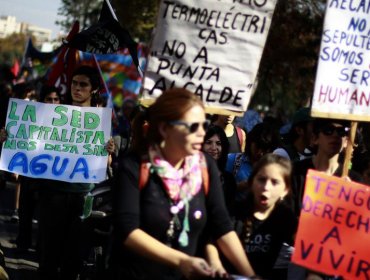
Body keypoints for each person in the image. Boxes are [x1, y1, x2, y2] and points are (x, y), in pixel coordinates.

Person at [110, 88, 256, 279]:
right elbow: (127, 230)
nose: (202, 133)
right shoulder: (134, 166)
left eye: (204, 125)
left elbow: (221, 225)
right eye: (192, 126)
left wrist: (251, 275)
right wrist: (181, 260)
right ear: (164, 128)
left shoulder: (206, 166)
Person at [37, 66, 114, 280]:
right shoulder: (54, 115)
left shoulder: (100, 121)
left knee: (74, 257)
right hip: (53, 193)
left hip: (84, 196)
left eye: (83, 85)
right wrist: (11, 137)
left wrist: (109, 153)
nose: (77, 88)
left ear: (94, 89)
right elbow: (35, 142)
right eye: (74, 83)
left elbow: (106, 163)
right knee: (49, 255)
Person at [232, 154, 297, 280]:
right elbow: (212, 243)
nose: (266, 187)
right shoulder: (235, 212)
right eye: (261, 180)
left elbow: (306, 245)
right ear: (251, 182)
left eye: (275, 182)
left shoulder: (284, 215)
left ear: (285, 190)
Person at [16, 85, 62, 252]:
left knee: (46, 216)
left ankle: (41, 248)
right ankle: (23, 243)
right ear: (42, 100)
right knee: (26, 212)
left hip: (51, 178)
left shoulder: (67, 121)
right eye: (49, 99)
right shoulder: (31, 115)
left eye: (56, 99)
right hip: (30, 173)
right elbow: (17, 135)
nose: (52, 102)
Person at [291, 118, 362, 219]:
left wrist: (350, 198)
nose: (335, 135)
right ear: (314, 138)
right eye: (328, 130)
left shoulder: (355, 181)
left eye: (341, 131)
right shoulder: (295, 172)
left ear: (346, 141)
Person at [225, 122, 282, 200]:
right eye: (257, 147)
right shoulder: (232, 160)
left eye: (265, 150)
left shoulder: (276, 168)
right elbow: (220, 189)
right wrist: (238, 187)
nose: (260, 153)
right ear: (250, 142)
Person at [202, 125, 236, 215]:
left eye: (218, 143)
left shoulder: (229, 179)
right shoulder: (192, 174)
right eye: (208, 142)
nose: (213, 148)